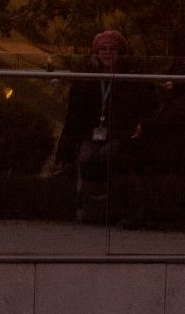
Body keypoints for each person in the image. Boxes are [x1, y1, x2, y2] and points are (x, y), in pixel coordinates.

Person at [53, 29, 157, 224]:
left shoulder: (130, 81)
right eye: (103, 49)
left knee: (108, 156)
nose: (108, 53)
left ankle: (111, 206)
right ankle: (93, 208)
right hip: (93, 134)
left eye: (112, 49)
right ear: (97, 53)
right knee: (86, 157)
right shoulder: (87, 81)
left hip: (119, 134)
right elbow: (74, 118)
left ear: (120, 53)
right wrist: (64, 151)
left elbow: (140, 110)